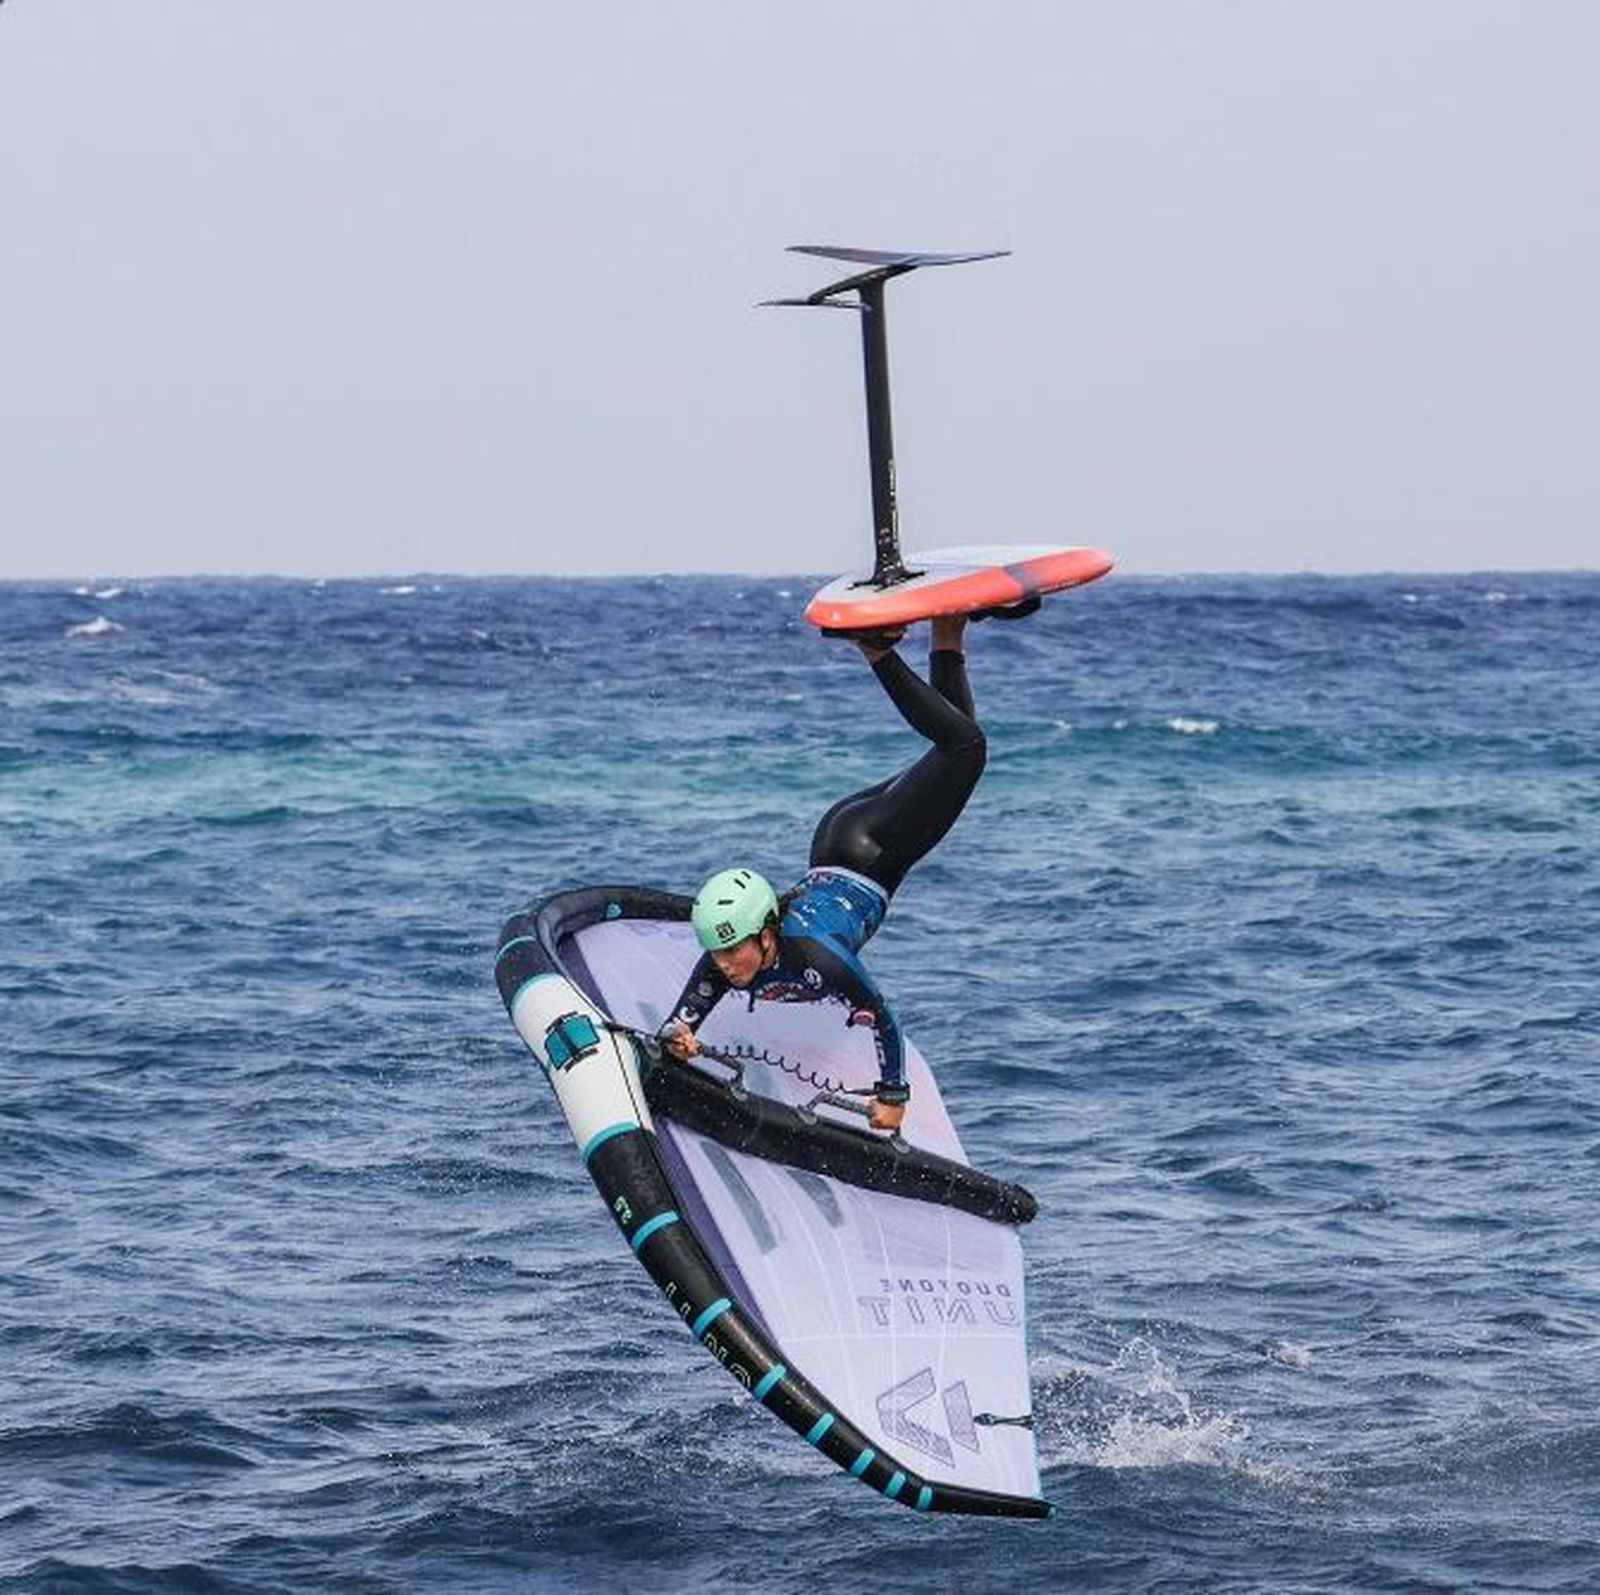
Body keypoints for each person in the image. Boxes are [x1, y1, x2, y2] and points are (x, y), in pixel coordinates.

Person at [660, 611, 999, 1132]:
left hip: (871, 847)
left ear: (766, 933)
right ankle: (948, 629)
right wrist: (677, 1038)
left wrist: (893, 1095)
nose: (723, 965)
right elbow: (677, 1025)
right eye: (718, 953)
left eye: (732, 950)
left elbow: (880, 1014)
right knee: (954, 750)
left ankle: (876, 649)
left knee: (964, 749)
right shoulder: (723, 960)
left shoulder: (816, 954)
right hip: (851, 848)